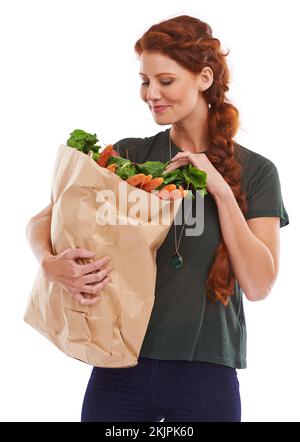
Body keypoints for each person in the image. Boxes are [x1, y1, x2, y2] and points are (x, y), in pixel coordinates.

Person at [26, 15, 289, 422]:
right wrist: (50, 262)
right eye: (145, 81)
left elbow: (258, 285)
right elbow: (43, 219)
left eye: (165, 81)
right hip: (119, 360)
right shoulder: (128, 155)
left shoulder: (256, 171)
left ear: (204, 78)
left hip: (207, 370)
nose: (151, 94)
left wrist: (219, 188)